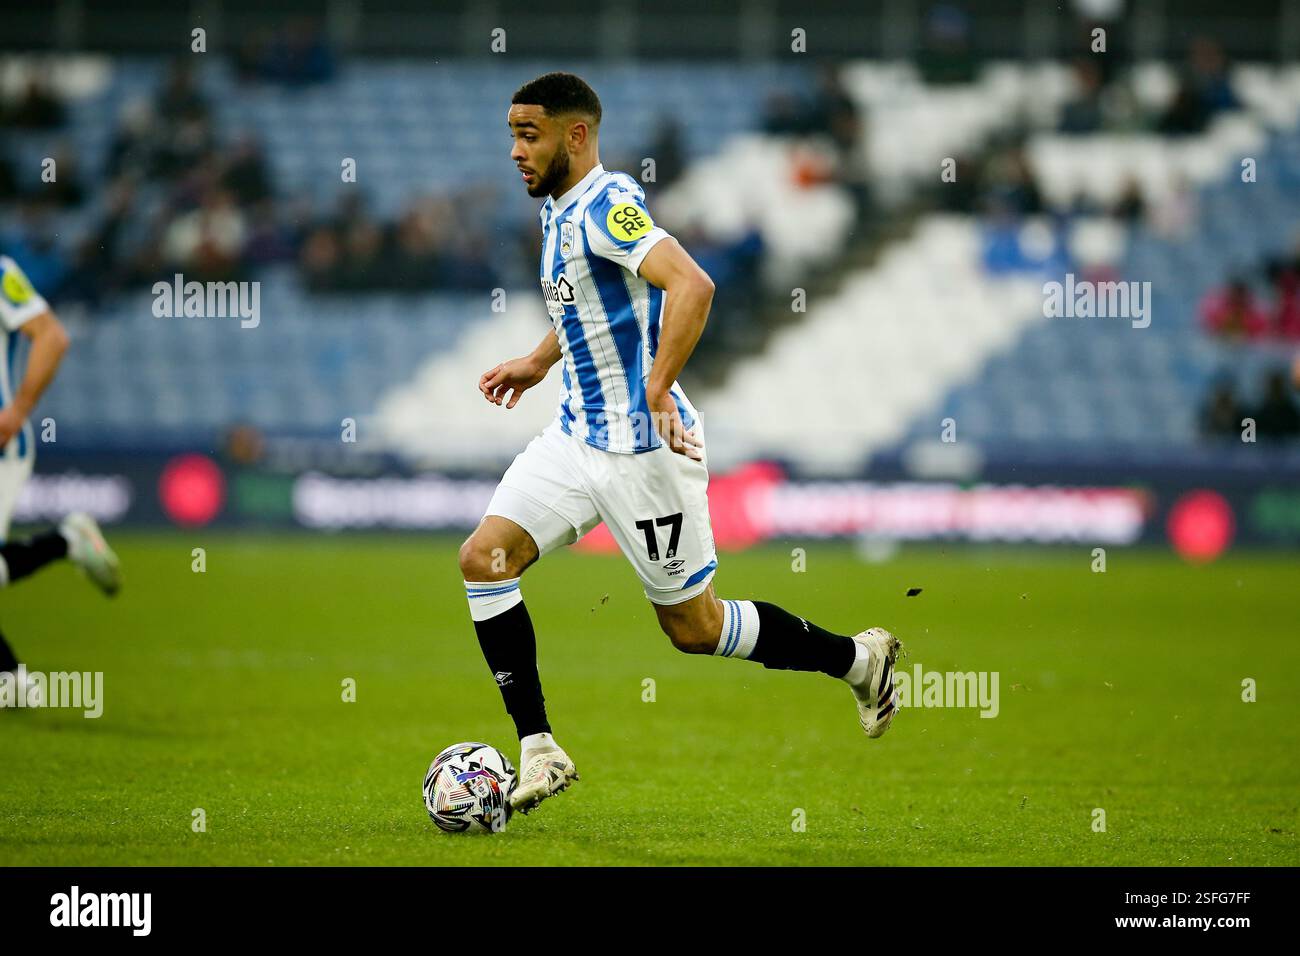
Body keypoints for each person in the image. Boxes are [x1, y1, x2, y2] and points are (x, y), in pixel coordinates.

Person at [458, 73, 903, 815]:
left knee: (693, 629)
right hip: (576, 437)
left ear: (576, 136)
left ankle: (859, 658)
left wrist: (659, 387)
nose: (514, 150)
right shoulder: (561, 210)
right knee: (483, 559)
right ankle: (539, 748)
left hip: (644, 453)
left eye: (528, 134)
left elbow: (692, 285)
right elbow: (593, 300)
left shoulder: (605, 208)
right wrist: (540, 361)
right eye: (511, 133)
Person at [0, 254, 122, 709]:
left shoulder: (2, 273)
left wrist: (17, 411)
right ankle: (66, 541)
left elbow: (52, 336)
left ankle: (11, 679)